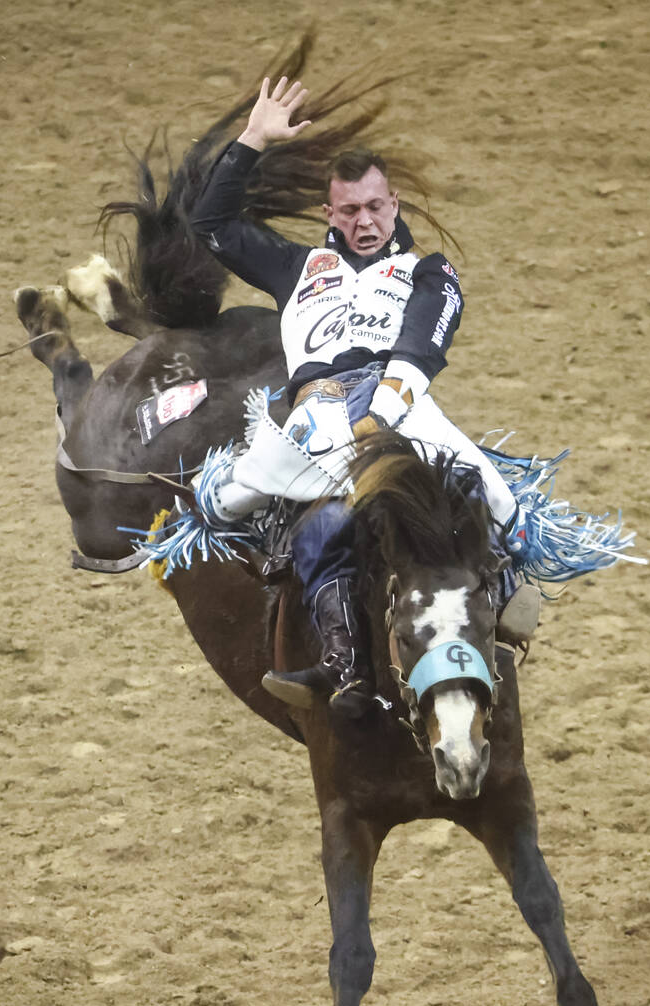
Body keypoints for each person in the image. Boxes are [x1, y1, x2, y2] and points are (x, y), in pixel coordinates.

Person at [189, 76, 469, 718]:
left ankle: (504, 604)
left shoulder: (429, 272)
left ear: (393, 204)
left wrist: (378, 417)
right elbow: (209, 224)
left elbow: (424, 345)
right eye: (349, 211)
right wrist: (251, 142)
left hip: (398, 404)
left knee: (479, 496)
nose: (364, 221)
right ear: (329, 214)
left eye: (374, 207)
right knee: (302, 523)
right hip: (314, 415)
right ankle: (342, 665)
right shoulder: (298, 268)